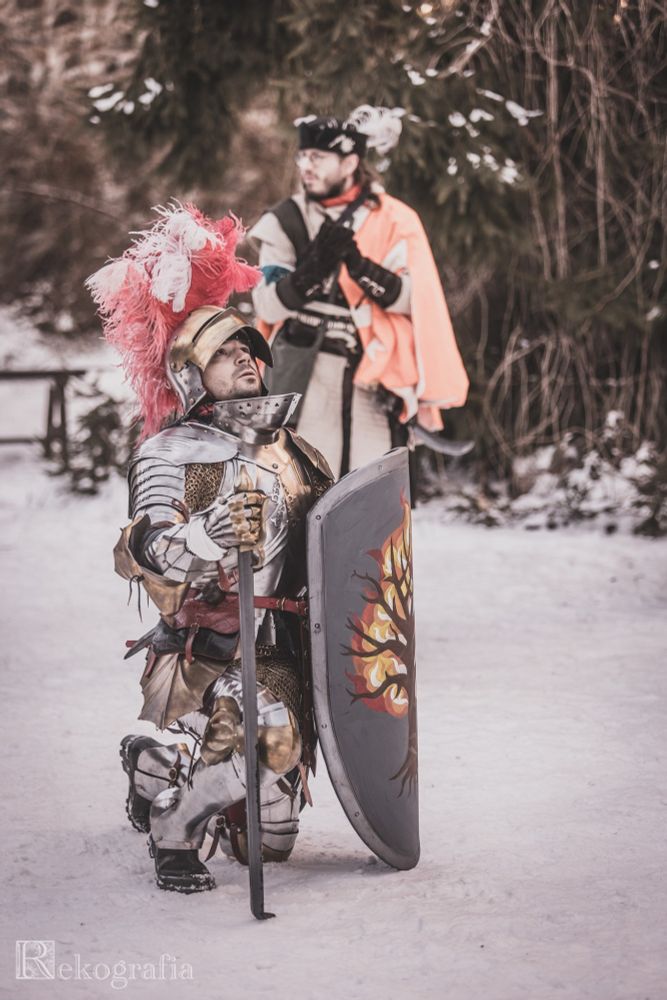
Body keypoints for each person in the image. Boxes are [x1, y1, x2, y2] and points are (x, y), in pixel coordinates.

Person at [86, 204, 332, 893]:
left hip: (282, 652)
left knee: (271, 842)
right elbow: (141, 549)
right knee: (264, 742)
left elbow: (339, 546)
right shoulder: (172, 452)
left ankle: (170, 767)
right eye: (223, 353)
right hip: (208, 651)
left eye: (247, 349)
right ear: (192, 373)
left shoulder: (297, 451)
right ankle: (169, 813)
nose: (244, 358)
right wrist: (207, 534)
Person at [249, 106, 470, 480]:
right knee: (301, 490)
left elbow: (416, 301)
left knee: (369, 495)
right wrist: (310, 273)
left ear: (350, 162)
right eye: (303, 156)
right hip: (301, 377)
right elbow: (267, 306)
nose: (306, 166)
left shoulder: (394, 219)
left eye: (318, 157)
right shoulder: (287, 220)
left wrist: (361, 267)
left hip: (373, 378)